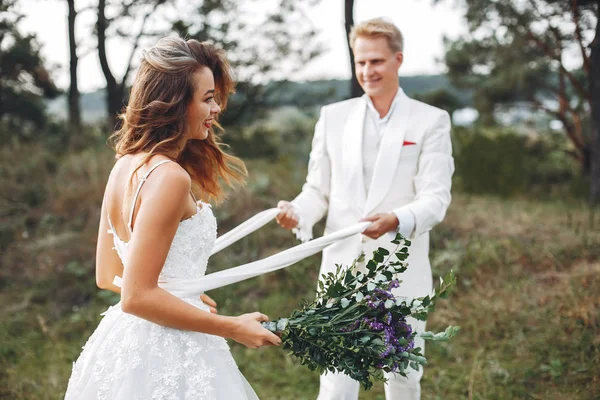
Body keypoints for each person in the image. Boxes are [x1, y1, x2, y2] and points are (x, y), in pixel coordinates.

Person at [65, 37, 281, 400]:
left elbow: (108, 275)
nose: (216, 109)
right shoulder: (169, 178)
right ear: (175, 104)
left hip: (125, 342)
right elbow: (136, 295)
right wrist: (231, 327)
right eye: (207, 98)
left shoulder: (124, 166)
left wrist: (176, 293)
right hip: (167, 347)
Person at [276, 18, 454, 400]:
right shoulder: (333, 117)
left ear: (398, 60)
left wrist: (397, 219)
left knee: (403, 379)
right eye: (360, 63)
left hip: (401, 272)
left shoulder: (431, 121)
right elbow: (317, 190)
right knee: (336, 381)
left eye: (376, 61)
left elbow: (436, 198)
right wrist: (298, 212)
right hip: (340, 270)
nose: (367, 71)